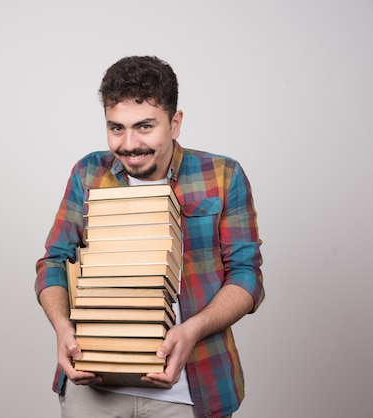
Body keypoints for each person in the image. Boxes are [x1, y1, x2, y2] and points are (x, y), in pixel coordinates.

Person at [35, 55, 264, 418]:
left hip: (192, 388)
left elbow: (246, 276)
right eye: (116, 128)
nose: (129, 144)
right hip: (94, 386)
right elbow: (52, 262)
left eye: (144, 127)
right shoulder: (87, 173)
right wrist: (62, 328)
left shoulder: (223, 175)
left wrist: (191, 331)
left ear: (175, 123)